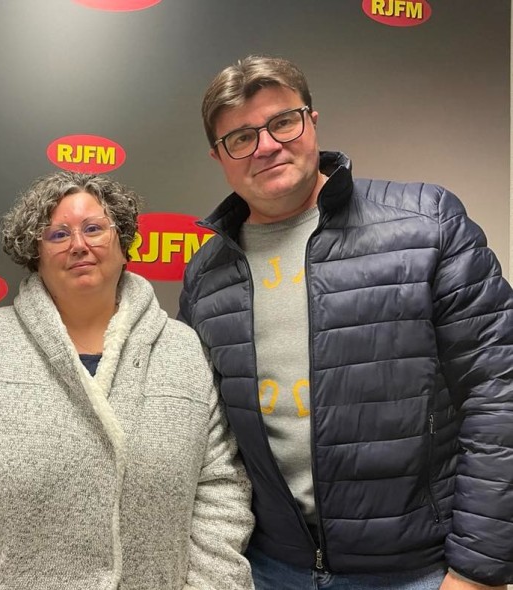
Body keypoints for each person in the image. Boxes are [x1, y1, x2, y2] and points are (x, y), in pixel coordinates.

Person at [178, 54, 513, 590]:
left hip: (420, 571)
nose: (266, 145)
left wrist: (477, 569)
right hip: (269, 569)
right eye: (241, 137)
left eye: (282, 121)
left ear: (312, 121)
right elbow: (205, 434)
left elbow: (498, 391)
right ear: (220, 156)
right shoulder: (206, 275)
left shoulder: (427, 225)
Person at [0, 171, 254, 589]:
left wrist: (211, 581)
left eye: (94, 229)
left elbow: (221, 484)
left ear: (123, 242)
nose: (79, 245)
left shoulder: (183, 352)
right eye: (58, 234)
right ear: (35, 253)